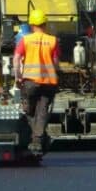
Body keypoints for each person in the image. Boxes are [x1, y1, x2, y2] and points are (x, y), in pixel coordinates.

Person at [13, 9, 60, 154]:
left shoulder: (25, 40)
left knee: (28, 110)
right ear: (45, 24)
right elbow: (56, 63)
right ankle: (38, 139)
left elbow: (16, 59)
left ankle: (36, 139)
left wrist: (17, 76)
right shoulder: (53, 41)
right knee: (42, 110)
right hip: (48, 83)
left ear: (32, 25)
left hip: (30, 82)